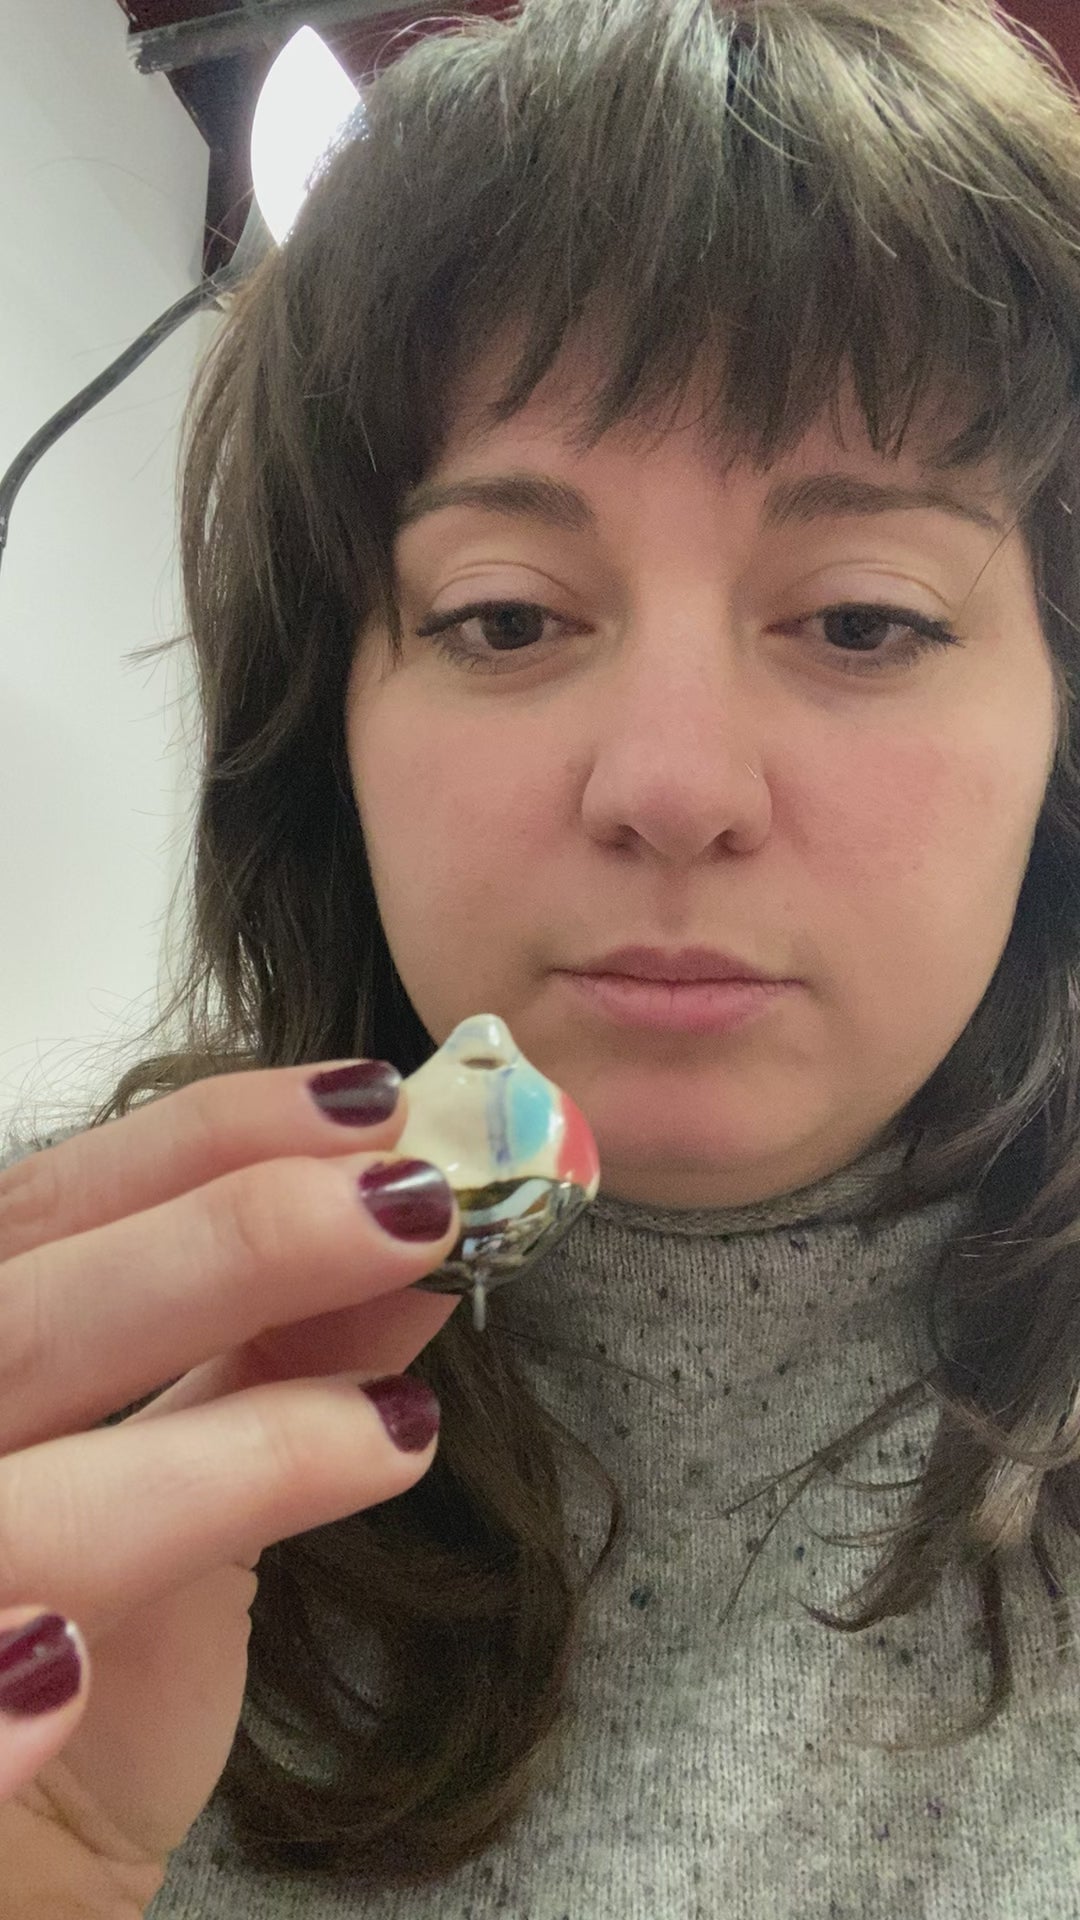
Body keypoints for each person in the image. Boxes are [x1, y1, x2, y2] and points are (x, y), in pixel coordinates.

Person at [2, 0, 1080, 1910]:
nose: (673, 786)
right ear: (327, 725)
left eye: (863, 619)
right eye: (505, 617)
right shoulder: (55, 1386)